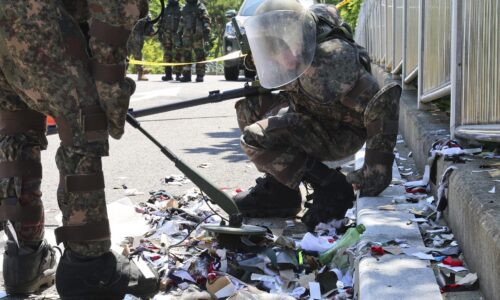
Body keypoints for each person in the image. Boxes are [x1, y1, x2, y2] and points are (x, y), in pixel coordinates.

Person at [0, 1, 159, 298]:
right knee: (84, 130)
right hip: (40, 25)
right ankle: (90, 268)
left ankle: (24, 262)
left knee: (15, 134)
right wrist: (111, 92)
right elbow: (115, 10)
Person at [234, 0, 401, 231]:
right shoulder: (294, 46)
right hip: (313, 113)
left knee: (255, 137)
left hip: (340, 132)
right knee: (249, 109)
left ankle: (331, 187)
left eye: (288, 44)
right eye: (276, 48)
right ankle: (282, 194)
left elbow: (382, 101)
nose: (286, 55)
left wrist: (376, 170)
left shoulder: (327, 62)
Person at [176, 0, 212, 82]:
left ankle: (200, 75)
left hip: (197, 35)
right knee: (186, 55)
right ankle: (186, 75)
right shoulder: (185, 7)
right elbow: (182, 21)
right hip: (186, 35)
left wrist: (206, 31)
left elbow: (206, 19)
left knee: (200, 55)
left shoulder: (200, 6)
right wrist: (178, 33)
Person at [158, 0, 183, 81]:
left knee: (178, 54)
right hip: (167, 35)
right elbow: (160, 22)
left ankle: (178, 74)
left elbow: (184, 23)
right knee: (167, 55)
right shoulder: (165, 9)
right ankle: (168, 74)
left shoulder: (181, 9)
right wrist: (159, 34)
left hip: (177, 35)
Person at [128, 14, 155, 81]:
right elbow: (149, 30)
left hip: (126, 34)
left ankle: (121, 74)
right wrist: (151, 32)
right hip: (136, 37)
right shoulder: (146, 14)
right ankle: (141, 74)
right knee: (137, 56)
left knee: (124, 55)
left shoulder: (127, 9)